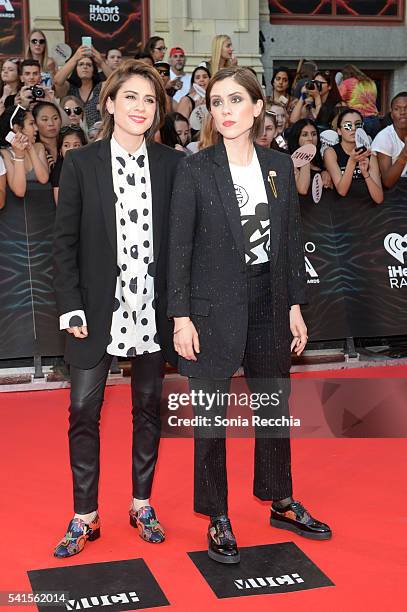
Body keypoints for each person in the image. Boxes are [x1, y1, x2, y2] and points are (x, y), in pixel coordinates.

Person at [168, 66, 331, 565]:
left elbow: (288, 244)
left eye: (235, 100)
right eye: (216, 102)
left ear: (259, 107)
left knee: (273, 406)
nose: (225, 110)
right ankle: (216, 512)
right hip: (212, 306)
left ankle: (279, 499)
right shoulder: (196, 168)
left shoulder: (280, 167)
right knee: (212, 415)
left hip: (268, 299)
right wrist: (180, 317)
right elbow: (178, 249)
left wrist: (294, 305)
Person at [52, 59, 183, 558]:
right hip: (95, 311)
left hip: (153, 307)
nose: (140, 107)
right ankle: (85, 516)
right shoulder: (82, 163)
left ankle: (141, 503)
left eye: (149, 100)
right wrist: (71, 307)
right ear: (109, 103)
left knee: (148, 407)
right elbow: (63, 244)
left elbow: (181, 244)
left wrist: (182, 308)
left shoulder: (173, 165)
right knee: (84, 409)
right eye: (130, 96)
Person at [324, 108, 383, 204]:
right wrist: (352, 162)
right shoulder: (331, 152)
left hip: (367, 208)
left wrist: (365, 174)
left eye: (358, 124)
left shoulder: (369, 154)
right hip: (342, 208)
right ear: (339, 130)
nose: (354, 128)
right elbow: (342, 191)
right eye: (348, 125)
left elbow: (379, 198)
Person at [54, 45, 110, 128]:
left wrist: (101, 62)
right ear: (75, 69)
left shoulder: (100, 87)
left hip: (96, 136)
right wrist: (75, 58)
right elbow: (57, 81)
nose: (85, 67)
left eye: (89, 65)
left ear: (93, 70)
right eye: (81, 64)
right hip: (72, 136)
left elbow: (117, 82)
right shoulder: (70, 88)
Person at [0, 105, 49, 197]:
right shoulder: (5, 154)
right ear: (17, 128)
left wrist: (30, 149)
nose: (36, 128)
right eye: (31, 124)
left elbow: (44, 179)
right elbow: (19, 191)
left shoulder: (39, 147)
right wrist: (19, 156)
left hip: (41, 207)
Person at [371, 92, 407, 189]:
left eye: (406, 108)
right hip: (394, 194)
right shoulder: (384, 137)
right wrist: (404, 154)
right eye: (397, 109)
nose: (402, 112)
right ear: (392, 115)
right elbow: (387, 182)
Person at [287, 118, 332, 195]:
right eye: (305, 135)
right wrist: (306, 153)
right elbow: (303, 189)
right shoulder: (290, 162)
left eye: (314, 134)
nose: (310, 138)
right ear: (296, 138)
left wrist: (326, 172)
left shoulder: (322, 161)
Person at [339, 65, 380, 138]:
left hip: (359, 119)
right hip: (375, 120)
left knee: (358, 145)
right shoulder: (370, 82)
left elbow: (337, 98)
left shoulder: (347, 82)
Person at [51, 125, 87, 203]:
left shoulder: (91, 169)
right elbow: (60, 204)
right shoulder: (58, 172)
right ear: (60, 150)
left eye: (76, 145)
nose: (71, 150)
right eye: (66, 145)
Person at [32, 101, 63, 170]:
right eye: (45, 119)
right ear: (35, 123)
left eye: (55, 118)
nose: (51, 123)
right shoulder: (34, 149)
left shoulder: (67, 144)